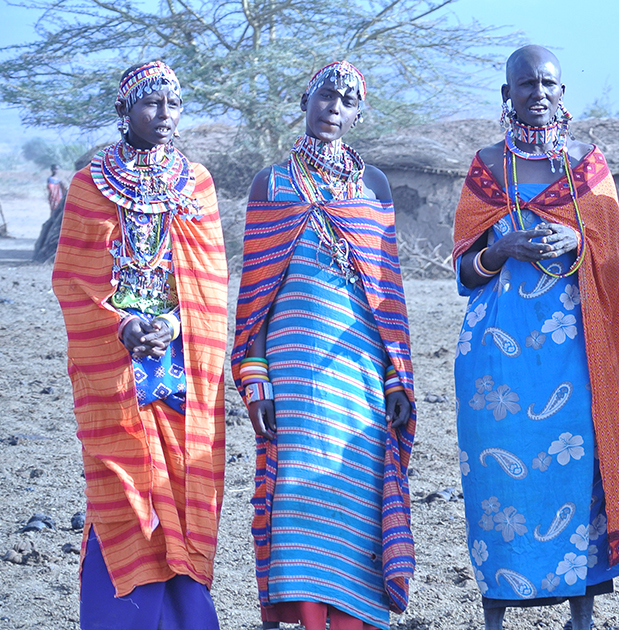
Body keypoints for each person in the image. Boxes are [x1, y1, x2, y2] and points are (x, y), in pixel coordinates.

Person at [452, 44, 619, 630]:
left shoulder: (588, 166)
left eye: (548, 83)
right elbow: (464, 271)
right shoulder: (487, 166)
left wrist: (580, 242)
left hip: (575, 350)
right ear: (507, 94)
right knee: (496, 480)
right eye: (525, 84)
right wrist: (502, 248)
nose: (537, 93)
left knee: (577, 470)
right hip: (496, 359)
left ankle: (582, 613)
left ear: (562, 93)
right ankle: (494, 609)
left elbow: (615, 260)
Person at [232, 60, 417, 630]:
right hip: (291, 370)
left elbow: (387, 291)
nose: (334, 107)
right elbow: (257, 293)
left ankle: (352, 619)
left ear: (357, 113)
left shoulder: (373, 185)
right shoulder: (272, 183)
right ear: (304, 99)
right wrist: (257, 376)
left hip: (358, 370)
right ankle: (306, 616)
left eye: (347, 100)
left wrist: (396, 376)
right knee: (298, 495)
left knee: (354, 490)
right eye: (325, 96)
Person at [51, 60, 228, 629]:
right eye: (152, 104)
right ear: (123, 111)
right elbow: (74, 281)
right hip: (116, 364)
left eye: (173, 104)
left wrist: (177, 324)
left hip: (181, 366)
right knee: (124, 491)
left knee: (179, 488)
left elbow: (211, 280)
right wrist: (122, 326)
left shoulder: (195, 182)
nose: (165, 115)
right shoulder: (88, 183)